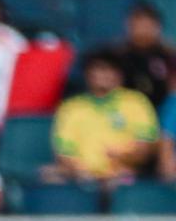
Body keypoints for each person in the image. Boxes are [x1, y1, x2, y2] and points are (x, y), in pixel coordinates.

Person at [51, 51, 158, 185]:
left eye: (109, 70)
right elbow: (64, 152)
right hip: (80, 179)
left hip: (123, 177)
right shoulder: (71, 107)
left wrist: (124, 158)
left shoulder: (136, 102)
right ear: (87, 74)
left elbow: (146, 148)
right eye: (98, 69)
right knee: (50, 177)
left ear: (120, 75)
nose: (104, 75)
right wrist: (80, 171)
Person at [108, 1, 175, 110]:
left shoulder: (169, 55)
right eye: (138, 25)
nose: (143, 30)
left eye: (148, 25)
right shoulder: (115, 55)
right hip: (123, 114)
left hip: (163, 113)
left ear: (158, 27)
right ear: (128, 25)